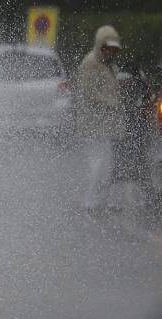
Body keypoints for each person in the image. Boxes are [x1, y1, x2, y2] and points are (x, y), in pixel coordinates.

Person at [74, 25, 124, 216]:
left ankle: (104, 200)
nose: (111, 51)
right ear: (100, 45)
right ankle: (90, 201)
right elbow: (88, 93)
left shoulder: (107, 64)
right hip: (92, 125)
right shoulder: (90, 63)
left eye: (113, 48)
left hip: (104, 125)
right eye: (107, 47)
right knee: (97, 163)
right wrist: (112, 103)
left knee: (108, 163)